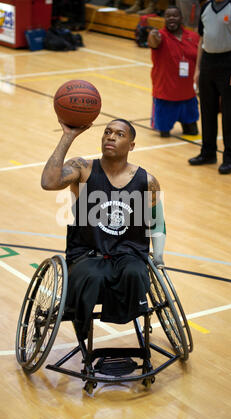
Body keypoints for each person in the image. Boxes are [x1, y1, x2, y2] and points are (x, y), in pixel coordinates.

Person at [41, 119, 166, 340]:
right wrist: (68, 136)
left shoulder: (147, 181)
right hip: (88, 255)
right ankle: (83, 332)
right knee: (92, 277)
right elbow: (49, 183)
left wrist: (159, 257)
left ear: (131, 145)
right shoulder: (83, 169)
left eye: (119, 134)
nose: (111, 136)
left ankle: (138, 340)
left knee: (135, 274)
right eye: (107, 132)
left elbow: (157, 221)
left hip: (128, 255)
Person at [188, 0, 231, 174]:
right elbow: (201, 39)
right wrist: (198, 69)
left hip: (229, 63)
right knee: (207, 111)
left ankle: (230, 158)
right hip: (208, 62)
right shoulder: (206, 7)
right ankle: (208, 153)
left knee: (229, 114)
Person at [148, 6, 200, 137]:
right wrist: (152, 35)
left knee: (192, 133)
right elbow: (153, 42)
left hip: (188, 94)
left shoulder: (193, 37)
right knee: (164, 135)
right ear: (164, 19)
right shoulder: (160, 36)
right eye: (168, 16)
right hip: (165, 94)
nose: (171, 18)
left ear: (181, 18)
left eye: (175, 15)